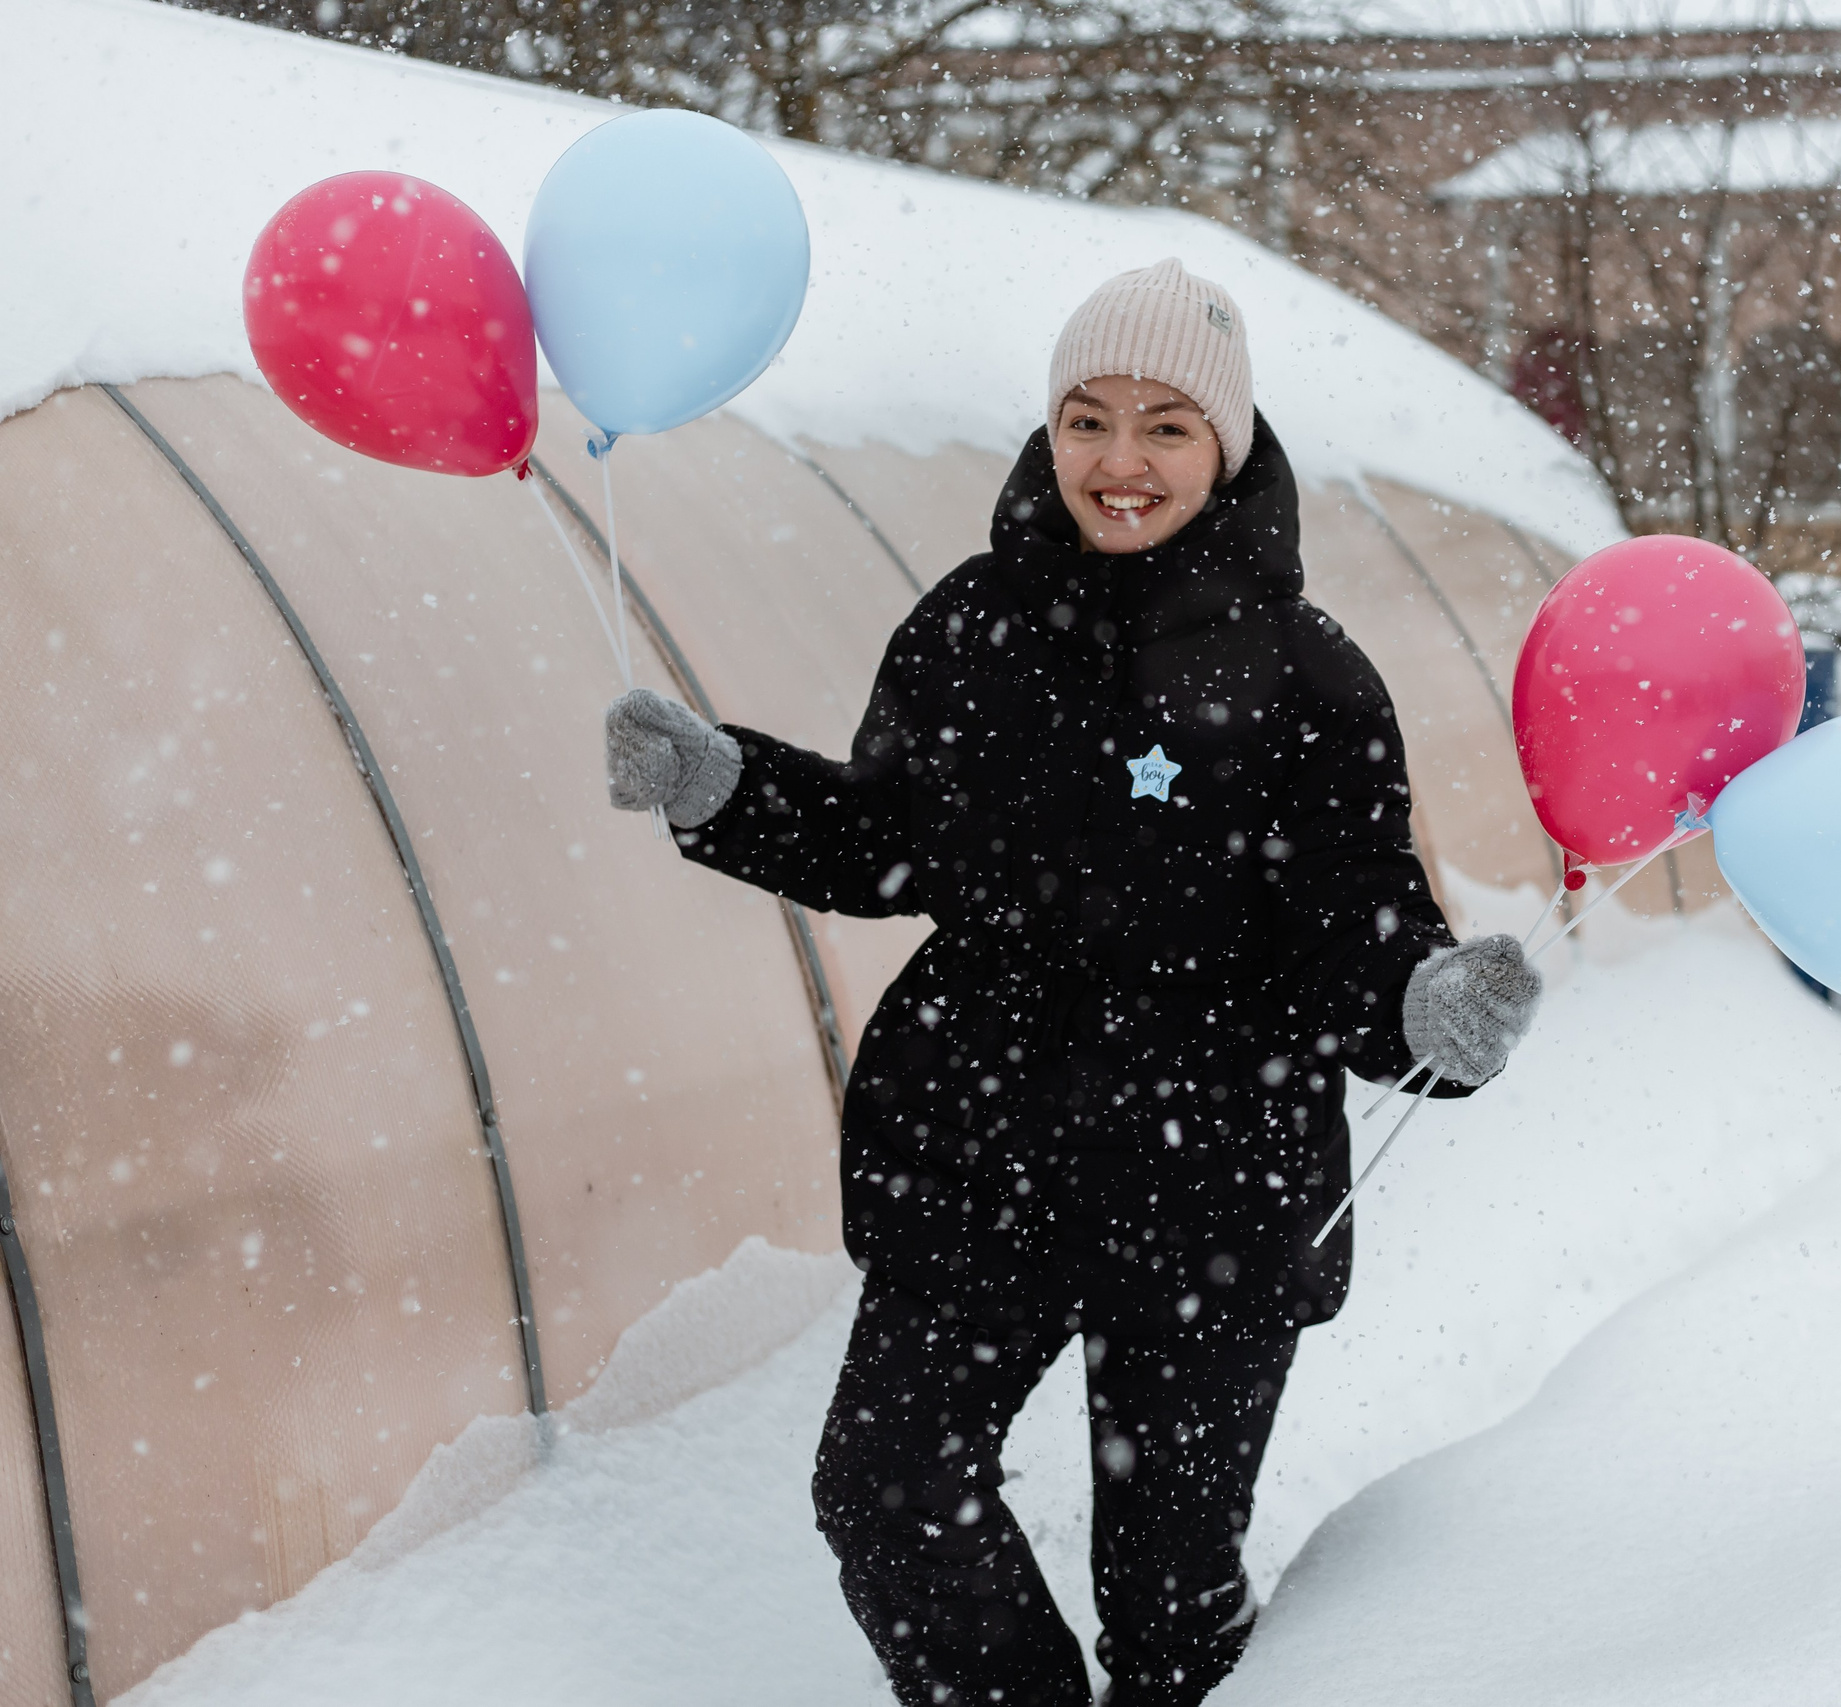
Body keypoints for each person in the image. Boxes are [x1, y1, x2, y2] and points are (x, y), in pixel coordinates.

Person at [602, 258, 1541, 1707]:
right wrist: (725, 788)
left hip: (1214, 1179)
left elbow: (1357, 927)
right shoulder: (973, 626)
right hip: (984, 1154)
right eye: (1088, 418)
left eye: (1166, 425)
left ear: (1226, 444)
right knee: (887, 1488)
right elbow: (888, 841)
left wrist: (1425, 1011)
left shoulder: (1307, 675)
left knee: (1167, 1604)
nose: (1120, 461)